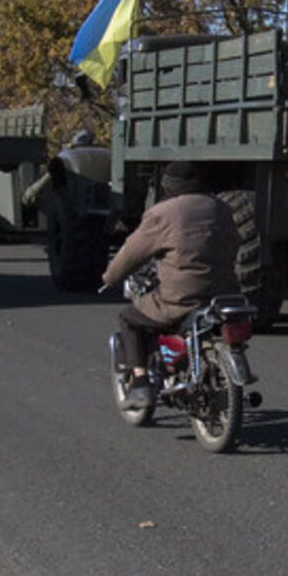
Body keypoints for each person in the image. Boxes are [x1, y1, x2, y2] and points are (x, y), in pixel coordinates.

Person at [102, 161, 240, 410]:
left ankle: (141, 382)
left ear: (167, 186)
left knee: (130, 319)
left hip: (183, 297)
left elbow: (132, 253)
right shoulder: (221, 207)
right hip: (226, 294)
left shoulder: (162, 213)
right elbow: (235, 242)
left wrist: (110, 277)